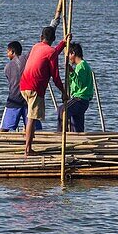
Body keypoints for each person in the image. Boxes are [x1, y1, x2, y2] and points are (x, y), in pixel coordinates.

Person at [18, 25, 68, 155]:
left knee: (31, 116)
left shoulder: (36, 46)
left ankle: (29, 145)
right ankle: (27, 149)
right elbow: (55, 76)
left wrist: (63, 43)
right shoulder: (50, 52)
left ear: (41, 37)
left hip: (24, 85)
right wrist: (63, 91)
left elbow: (51, 53)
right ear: (53, 39)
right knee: (32, 118)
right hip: (34, 88)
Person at [0, 41, 39, 133]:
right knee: (31, 126)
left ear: (12, 52)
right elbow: (35, 48)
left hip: (14, 98)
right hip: (28, 98)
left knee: (5, 127)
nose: (7, 54)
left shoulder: (7, 67)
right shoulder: (26, 59)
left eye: (8, 52)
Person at [58, 43, 95, 133]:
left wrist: (71, 72)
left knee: (62, 110)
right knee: (77, 126)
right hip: (80, 99)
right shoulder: (80, 66)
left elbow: (80, 84)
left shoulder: (82, 66)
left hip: (80, 99)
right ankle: (79, 137)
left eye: (69, 54)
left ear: (73, 53)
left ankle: (61, 134)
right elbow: (73, 83)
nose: (69, 58)